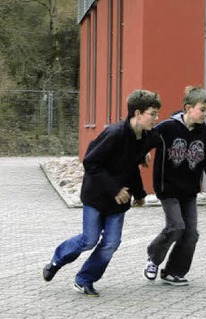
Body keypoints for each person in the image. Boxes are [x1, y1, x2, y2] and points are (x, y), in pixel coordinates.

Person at [42, 89, 162, 297]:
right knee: (89, 240)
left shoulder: (147, 137)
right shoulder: (114, 133)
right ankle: (56, 260)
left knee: (111, 243)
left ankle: (84, 279)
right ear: (137, 113)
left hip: (119, 200)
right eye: (152, 113)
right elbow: (90, 162)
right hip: (97, 195)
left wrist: (139, 193)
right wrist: (115, 188)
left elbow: (132, 165)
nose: (156, 118)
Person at [143, 86, 206, 286]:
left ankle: (173, 272)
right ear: (189, 108)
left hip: (188, 192)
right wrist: (142, 152)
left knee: (191, 234)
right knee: (176, 226)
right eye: (202, 109)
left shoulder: (205, 132)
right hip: (167, 188)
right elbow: (145, 139)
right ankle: (154, 258)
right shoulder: (166, 127)